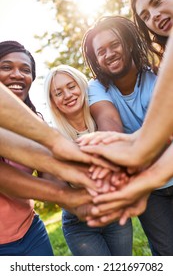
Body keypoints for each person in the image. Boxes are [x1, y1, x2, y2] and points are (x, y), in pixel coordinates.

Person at [80, 16, 173, 255]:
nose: (109, 53)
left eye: (115, 44)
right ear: (96, 60)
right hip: (147, 187)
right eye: (101, 51)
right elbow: (109, 123)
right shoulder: (97, 88)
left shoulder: (158, 72)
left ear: (129, 43)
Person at [0, 41, 96, 256]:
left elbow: (49, 174)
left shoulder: (36, 123)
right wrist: (68, 196)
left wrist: (88, 191)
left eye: (25, 70)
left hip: (31, 233)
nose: (17, 74)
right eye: (6, 67)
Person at [43, 64, 132, 256]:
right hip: (80, 223)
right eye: (58, 93)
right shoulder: (54, 135)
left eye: (71, 86)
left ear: (82, 86)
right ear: (53, 101)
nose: (67, 95)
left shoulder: (104, 119)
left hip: (116, 214)